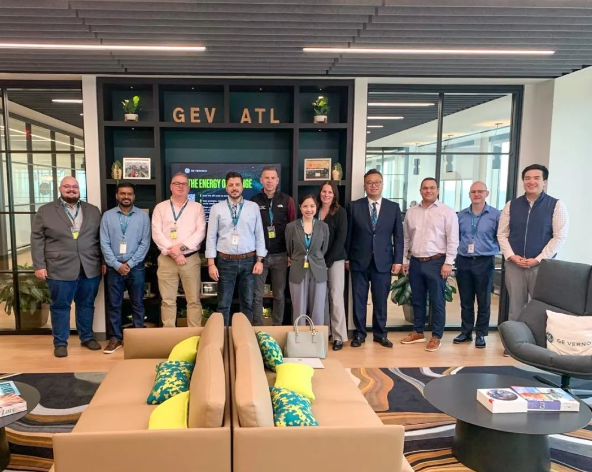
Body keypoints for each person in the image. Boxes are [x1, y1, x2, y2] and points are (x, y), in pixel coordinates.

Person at [31, 176, 104, 358]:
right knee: (60, 306)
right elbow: (37, 239)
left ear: (79, 189)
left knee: (86, 304)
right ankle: (60, 343)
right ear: (60, 189)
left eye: (75, 187)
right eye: (67, 187)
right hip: (59, 267)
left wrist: (103, 262)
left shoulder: (93, 210)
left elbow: (101, 238)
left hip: (90, 266)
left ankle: (87, 337)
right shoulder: (46, 211)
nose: (71, 190)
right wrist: (39, 265)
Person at [497, 164, 569, 322]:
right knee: (515, 308)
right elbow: (502, 234)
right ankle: (514, 338)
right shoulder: (511, 205)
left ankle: (536, 338)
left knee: (540, 308)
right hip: (514, 265)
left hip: (542, 266)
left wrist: (538, 259)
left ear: (544, 182)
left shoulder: (556, 205)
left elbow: (559, 237)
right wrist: (512, 257)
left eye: (536, 178)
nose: (531, 182)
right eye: (527, 178)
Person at [346, 169, 403, 348]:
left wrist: (398, 260)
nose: (373, 185)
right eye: (369, 182)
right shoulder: (354, 206)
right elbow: (348, 235)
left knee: (380, 300)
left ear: (382, 185)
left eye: (377, 182)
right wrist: (347, 258)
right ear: (364, 186)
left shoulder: (393, 208)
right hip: (358, 260)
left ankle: (380, 334)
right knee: (359, 299)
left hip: (383, 261)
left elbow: (398, 236)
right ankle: (359, 334)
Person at [401, 178, 459, 352]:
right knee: (417, 299)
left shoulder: (446, 212)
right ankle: (418, 332)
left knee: (437, 300)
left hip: (437, 262)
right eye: (425, 188)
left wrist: (448, 263)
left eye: (432, 188)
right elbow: (406, 238)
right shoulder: (412, 212)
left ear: (438, 190)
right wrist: (404, 259)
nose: (428, 191)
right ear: (420, 190)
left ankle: (436, 336)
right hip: (416, 261)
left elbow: (453, 239)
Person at [205, 172, 266, 325]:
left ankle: (245, 336)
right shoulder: (217, 208)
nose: (234, 188)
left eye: (237, 185)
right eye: (231, 185)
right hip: (225, 261)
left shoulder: (253, 207)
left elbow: (259, 234)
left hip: (249, 261)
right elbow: (211, 237)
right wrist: (211, 264)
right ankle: (223, 336)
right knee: (223, 304)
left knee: (247, 303)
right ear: (226, 188)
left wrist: (260, 260)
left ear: (242, 187)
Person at [100, 182, 151, 354]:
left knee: (138, 303)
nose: (126, 196)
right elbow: (104, 243)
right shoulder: (108, 216)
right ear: (117, 196)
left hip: (135, 267)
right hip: (114, 268)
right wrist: (116, 264)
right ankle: (115, 338)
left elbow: (145, 243)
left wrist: (129, 264)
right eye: (123, 193)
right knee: (114, 304)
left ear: (134, 196)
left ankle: (138, 338)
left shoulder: (142, 216)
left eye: (129, 194)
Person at [152, 173, 206, 328]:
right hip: (167, 260)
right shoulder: (160, 207)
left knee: (193, 300)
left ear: (188, 187)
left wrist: (181, 249)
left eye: (184, 184)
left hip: (190, 260)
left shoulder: (197, 208)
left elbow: (200, 232)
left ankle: (194, 335)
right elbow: (156, 233)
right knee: (167, 301)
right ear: (171, 186)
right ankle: (169, 335)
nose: (180, 186)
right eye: (177, 183)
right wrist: (174, 253)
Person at [454, 182, 500, 349]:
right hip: (464, 260)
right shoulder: (461, 215)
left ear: (487, 193)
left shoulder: (496, 215)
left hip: (484, 261)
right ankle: (466, 332)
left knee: (483, 300)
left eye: (480, 191)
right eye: (473, 191)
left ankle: (481, 334)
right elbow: (456, 237)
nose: (477, 194)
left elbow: (501, 237)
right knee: (466, 300)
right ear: (469, 194)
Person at [251, 166, 296, 325]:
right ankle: (258, 327)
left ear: (277, 181)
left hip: (281, 255)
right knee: (257, 295)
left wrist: (290, 253)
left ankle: (277, 326)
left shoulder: (287, 200)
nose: (269, 181)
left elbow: (293, 228)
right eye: (266, 178)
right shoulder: (254, 201)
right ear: (261, 180)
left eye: (272, 178)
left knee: (279, 295)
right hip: (260, 257)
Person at [285, 195, 330, 326]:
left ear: (316, 208)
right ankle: (300, 336)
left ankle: (317, 336)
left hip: (318, 269)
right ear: (300, 208)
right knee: (299, 307)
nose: (309, 209)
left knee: (318, 307)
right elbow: (290, 248)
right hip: (297, 268)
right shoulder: (291, 227)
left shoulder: (323, 226)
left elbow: (324, 248)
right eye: (305, 206)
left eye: (312, 206)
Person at [318, 181, 348, 351]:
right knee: (320, 298)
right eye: (324, 191)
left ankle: (339, 336)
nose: (326, 195)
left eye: (330, 192)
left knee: (335, 297)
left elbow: (341, 240)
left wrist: (327, 261)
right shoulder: (315, 210)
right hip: (316, 261)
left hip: (335, 260)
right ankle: (324, 333)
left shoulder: (340, 212)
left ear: (334, 194)